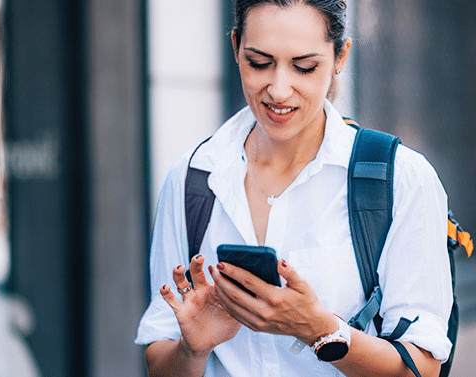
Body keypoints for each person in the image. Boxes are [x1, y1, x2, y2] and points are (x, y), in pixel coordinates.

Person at [135, 1, 453, 376]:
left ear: (340, 56)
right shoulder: (192, 179)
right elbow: (160, 360)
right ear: (236, 46)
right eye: (259, 63)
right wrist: (193, 349)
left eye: (304, 66)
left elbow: (424, 368)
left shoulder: (400, 178)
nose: (279, 89)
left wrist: (319, 330)